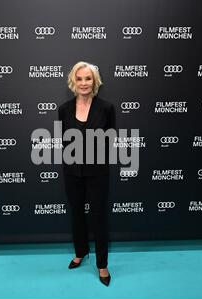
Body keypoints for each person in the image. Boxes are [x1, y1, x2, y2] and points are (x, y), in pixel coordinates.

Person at [58, 61, 116, 286]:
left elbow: (110, 140)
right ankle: (80, 252)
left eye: (88, 78)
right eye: (79, 78)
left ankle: (102, 264)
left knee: (98, 217)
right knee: (76, 214)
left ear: (95, 82)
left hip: (97, 172)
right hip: (72, 172)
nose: (84, 83)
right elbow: (63, 141)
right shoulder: (63, 109)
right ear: (74, 81)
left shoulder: (107, 108)